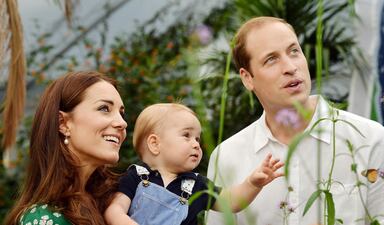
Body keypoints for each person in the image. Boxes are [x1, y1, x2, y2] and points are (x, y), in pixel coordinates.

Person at [206, 16, 384, 225]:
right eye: (271, 59)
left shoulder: (371, 139)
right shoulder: (226, 157)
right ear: (247, 78)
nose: (290, 67)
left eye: (294, 51)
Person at [104, 103, 284, 225]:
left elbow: (230, 202)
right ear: (155, 144)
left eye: (197, 138)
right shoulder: (136, 176)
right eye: (186, 135)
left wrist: (252, 183)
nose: (196, 143)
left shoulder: (196, 184)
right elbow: (114, 210)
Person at [4, 71, 128, 225]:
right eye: (104, 108)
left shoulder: (119, 203)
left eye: (122, 113)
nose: (122, 123)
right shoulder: (44, 218)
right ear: (62, 123)